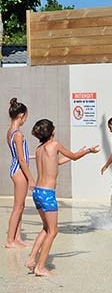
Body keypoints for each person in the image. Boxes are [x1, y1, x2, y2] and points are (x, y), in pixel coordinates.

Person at [25, 119, 100, 277]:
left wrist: (78, 152)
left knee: (46, 228)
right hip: (47, 194)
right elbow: (73, 156)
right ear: (52, 132)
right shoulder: (55, 144)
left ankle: (31, 259)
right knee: (53, 231)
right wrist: (88, 151)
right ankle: (40, 266)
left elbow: (56, 162)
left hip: (37, 192)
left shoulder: (40, 150)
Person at [5, 97, 35, 249]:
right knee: (18, 206)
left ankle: (17, 238)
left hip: (15, 169)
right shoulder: (18, 134)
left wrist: (36, 155)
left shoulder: (10, 132)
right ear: (21, 115)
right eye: (26, 116)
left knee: (20, 205)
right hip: (19, 172)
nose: (25, 119)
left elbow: (20, 155)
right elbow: (21, 160)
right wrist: (31, 179)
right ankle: (10, 240)